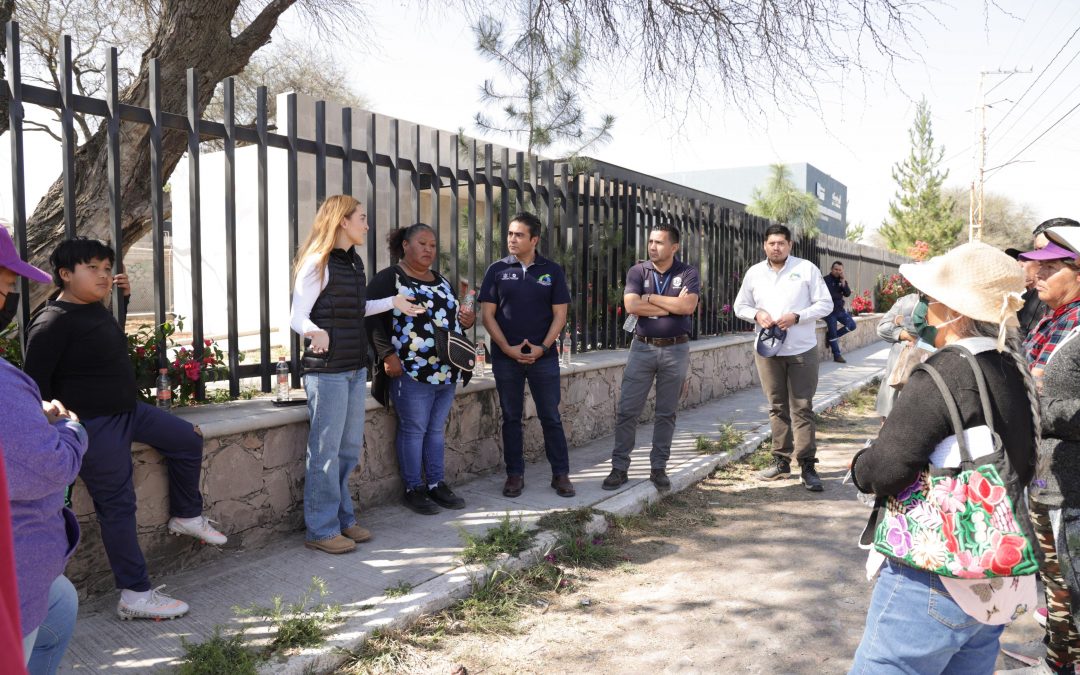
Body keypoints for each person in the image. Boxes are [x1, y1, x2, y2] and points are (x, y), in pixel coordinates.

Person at [849, 241, 1039, 674]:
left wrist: (861, 466)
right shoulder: (1010, 365)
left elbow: (887, 468)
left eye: (929, 300)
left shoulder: (944, 372)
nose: (923, 309)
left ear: (954, 309)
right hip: (995, 569)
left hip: (936, 571)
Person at [22, 238, 225, 622]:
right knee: (117, 506)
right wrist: (56, 428)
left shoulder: (94, 309)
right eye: (93, 268)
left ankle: (186, 515)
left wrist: (126, 302)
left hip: (130, 411)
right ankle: (135, 592)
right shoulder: (51, 323)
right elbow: (35, 387)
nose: (104, 275)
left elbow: (103, 346)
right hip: (96, 425)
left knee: (187, 439)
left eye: (106, 267)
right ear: (65, 274)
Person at [290, 195, 423, 554]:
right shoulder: (316, 263)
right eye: (361, 218)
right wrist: (313, 331)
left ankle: (343, 519)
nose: (367, 224)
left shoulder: (352, 262)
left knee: (347, 450)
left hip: (352, 369)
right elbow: (296, 316)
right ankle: (320, 530)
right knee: (325, 452)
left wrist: (393, 303)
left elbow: (356, 307)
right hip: (327, 371)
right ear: (342, 221)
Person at [0, 227, 85, 673]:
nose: (10, 300)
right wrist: (71, 429)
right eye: (7, 288)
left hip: (28, 579)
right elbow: (48, 467)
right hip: (11, 581)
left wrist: (30, 416)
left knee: (61, 602)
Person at [1000, 227, 1080, 675]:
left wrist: (1033, 404)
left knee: (1072, 581)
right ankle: (1057, 662)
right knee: (1055, 583)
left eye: (1050, 267)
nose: (1037, 275)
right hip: (1044, 475)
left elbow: (1045, 399)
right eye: (1038, 266)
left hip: (1072, 483)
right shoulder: (1050, 316)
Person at [366, 224, 476, 515]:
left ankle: (436, 484)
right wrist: (387, 356)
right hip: (411, 371)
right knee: (414, 430)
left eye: (433, 244)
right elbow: (370, 317)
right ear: (405, 245)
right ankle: (413, 488)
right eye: (422, 243)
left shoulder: (440, 280)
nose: (429, 249)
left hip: (446, 370)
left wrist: (467, 317)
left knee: (435, 430)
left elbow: (455, 320)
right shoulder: (390, 278)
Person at [479, 212, 575, 499]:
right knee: (511, 417)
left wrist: (543, 347)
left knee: (550, 416)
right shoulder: (496, 270)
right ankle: (514, 475)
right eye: (510, 234)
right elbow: (487, 315)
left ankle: (560, 474)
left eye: (518, 235)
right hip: (505, 358)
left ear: (534, 239)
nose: (512, 239)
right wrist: (507, 348)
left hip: (542, 358)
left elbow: (560, 316)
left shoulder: (552, 271)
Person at [733, 224, 833, 491]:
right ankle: (781, 461)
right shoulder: (755, 273)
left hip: (801, 349)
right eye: (771, 243)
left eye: (781, 243)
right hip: (767, 350)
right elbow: (739, 305)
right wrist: (756, 315)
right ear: (764, 245)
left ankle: (808, 466)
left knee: (802, 407)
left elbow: (826, 304)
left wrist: (797, 316)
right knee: (777, 406)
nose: (776, 247)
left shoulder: (806, 269)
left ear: (789, 245)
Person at [602, 223, 699, 491]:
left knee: (666, 413)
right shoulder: (638, 270)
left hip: (675, 349)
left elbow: (688, 305)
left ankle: (658, 469)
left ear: (674, 247)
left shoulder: (687, 272)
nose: (652, 247)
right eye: (651, 241)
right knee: (627, 411)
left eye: (659, 242)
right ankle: (619, 468)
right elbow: (631, 305)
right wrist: (672, 308)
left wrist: (652, 298)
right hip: (642, 347)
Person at [874, 292, 920, 419]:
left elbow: (922, 329)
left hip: (924, 370)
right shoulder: (906, 301)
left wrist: (901, 320)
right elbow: (882, 328)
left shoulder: (943, 302)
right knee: (888, 416)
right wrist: (903, 334)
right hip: (897, 370)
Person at [823, 261, 857, 363]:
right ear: (831, 269)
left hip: (839, 310)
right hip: (828, 311)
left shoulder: (842, 280)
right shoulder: (825, 280)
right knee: (832, 331)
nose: (838, 272)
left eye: (840, 270)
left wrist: (843, 281)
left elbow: (847, 293)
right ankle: (837, 355)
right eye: (836, 269)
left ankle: (831, 336)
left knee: (852, 325)